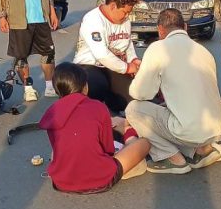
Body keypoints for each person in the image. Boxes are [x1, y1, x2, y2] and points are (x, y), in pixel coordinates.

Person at [126, 8, 221, 174]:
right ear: (185, 27)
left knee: (133, 109)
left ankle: (174, 159)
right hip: (216, 129)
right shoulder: (203, 51)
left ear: (160, 30)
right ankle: (202, 151)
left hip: (189, 130)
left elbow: (141, 93)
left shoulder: (158, 48)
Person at [39, 63, 150, 194]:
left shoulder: (52, 112)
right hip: (100, 178)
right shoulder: (97, 106)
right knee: (144, 143)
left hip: (61, 182)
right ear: (85, 86)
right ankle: (129, 135)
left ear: (57, 90)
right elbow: (108, 149)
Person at [74, 0, 142, 113]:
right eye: (125, 12)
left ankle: (113, 104)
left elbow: (127, 43)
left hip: (116, 66)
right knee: (97, 87)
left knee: (132, 98)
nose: (127, 16)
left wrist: (133, 60)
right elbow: (102, 54)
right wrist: (127, 68)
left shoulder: (125, 20)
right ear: (112, 6)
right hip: (90, 65)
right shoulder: (93, 20)